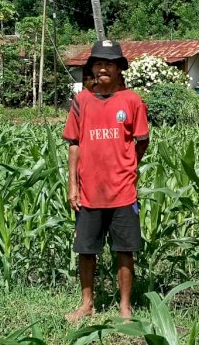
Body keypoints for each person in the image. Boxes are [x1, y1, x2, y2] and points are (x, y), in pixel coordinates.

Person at [62, 39, 150, 323]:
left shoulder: (132, 101)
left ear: (119, 68)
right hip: (89, 190)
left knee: (125, 251)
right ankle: (87, 303)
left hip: (123, 191)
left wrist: (129, 165)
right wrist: (72, 185)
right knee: (86, 250)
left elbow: (142, 140)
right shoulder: (82, 102)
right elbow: (73, 144)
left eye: (108, 63)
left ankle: (125, 307)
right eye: (97, 63)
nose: (102, 68)